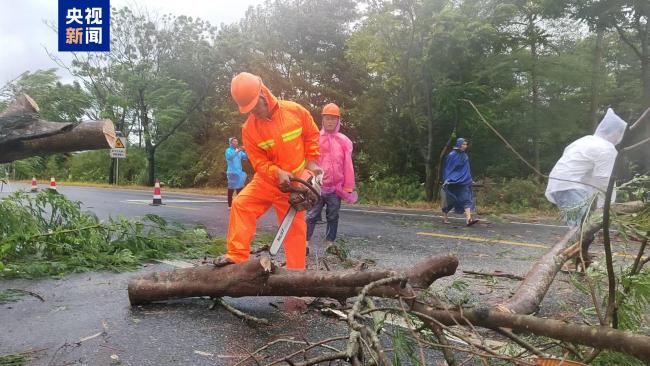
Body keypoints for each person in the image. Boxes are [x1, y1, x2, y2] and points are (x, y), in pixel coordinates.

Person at [213, 72, 322, 270]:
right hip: (266, 181)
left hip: (295, 184)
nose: (254, 112)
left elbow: (312, 134)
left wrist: (312, 162)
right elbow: (259, 162)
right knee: (241, 204)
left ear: (263, 94)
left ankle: (296, 280)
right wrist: (276, 172)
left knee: (295, 231)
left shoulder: (295, 111)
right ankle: (237, 256)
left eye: (255, 106)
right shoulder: (249, 129)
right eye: (249, 109)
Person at [545, 108, 627, 227]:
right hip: (571, 186)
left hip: (559, 184)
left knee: (581, 226)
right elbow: (603, 179)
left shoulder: (586, 140)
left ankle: (578, 244)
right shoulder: (607, 148)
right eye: (620, 134)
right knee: (582, 229)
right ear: (615, 133)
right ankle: (577, 245)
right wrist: (607, 204)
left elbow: (588, 174)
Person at [306, 103, 357, 250]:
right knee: (311, 215)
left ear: (338, 121)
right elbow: (309, 161)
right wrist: (308, 182)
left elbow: (348, 165)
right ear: (322, 120)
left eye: (333, 119)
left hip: (336, 188)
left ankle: (330, 243)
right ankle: (304, 243)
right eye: (327, 118)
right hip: (317, 187)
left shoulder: (344, 141)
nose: (330, 122)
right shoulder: (315, 139)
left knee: (333, 216)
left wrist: (348, 186)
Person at [441, 138, 479, 226]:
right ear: (459, 144)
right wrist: (447, 179)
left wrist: (469, 179)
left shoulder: (465, 156)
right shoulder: (452, 155)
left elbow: (466, 169)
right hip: (452, 181)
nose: (465, 146)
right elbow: (448, 168)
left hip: (463, 181)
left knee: (466, 199)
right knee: (449, 200)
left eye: (466, 144)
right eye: (464, 144)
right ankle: (445, 217)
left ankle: (468, 219)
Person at [225, 137, 248, 209]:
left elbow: (246, 158)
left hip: (239, 172)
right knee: (231, 189)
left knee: (240, 189)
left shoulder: (240, 151)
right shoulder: (228, 150)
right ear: (231, 143)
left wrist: (247, 149)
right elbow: (230, 157)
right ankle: (230, 205)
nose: (236, 143)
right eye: (234, 141)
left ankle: (239, 205)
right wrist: (237, 151)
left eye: (236, 141)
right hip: (231, 172)